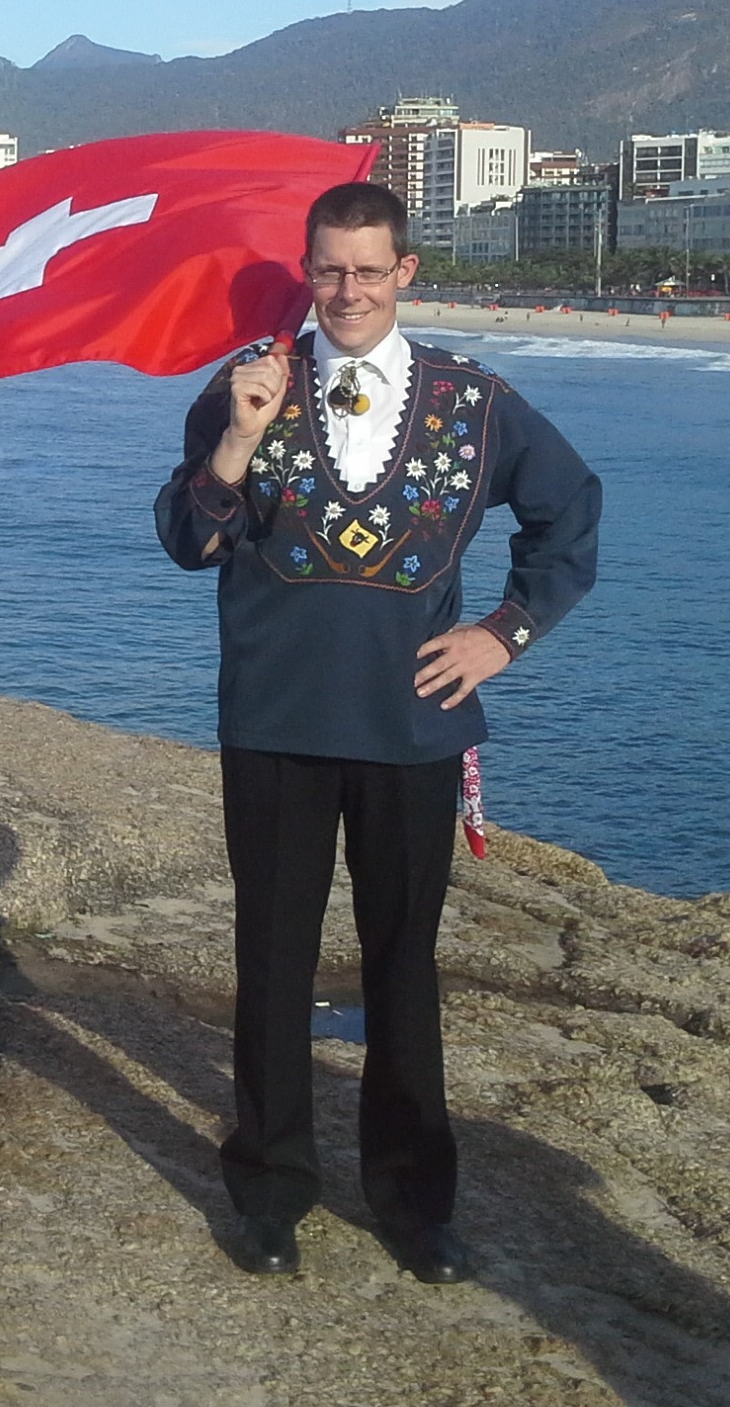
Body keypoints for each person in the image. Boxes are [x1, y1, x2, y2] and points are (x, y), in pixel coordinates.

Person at [154, 180, 600, 1285]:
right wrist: (236, 443)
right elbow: (183, 539)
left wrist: (505, 633)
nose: (346, 290)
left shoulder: (475, 401)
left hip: (413, 729)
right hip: (272, 722)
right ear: (305, 272)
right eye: (327, 270)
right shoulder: (244, 387)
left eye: (367, 269)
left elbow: (571, 509)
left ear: (406, 272)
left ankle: (411, 1203)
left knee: (403, 969)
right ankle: (267, 1189)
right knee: (272, 958)